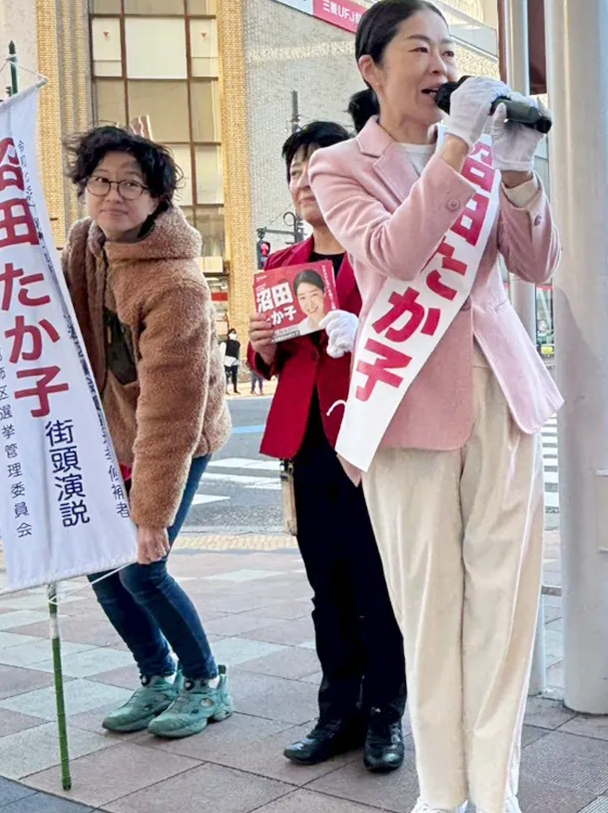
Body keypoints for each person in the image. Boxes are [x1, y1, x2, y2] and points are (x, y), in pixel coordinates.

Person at [308, 0, 561, 813]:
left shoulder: (482, 156)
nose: (441, 66)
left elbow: (537, 265)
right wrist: (457, 145)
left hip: (503, 396)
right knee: (430, 607)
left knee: (503, 606)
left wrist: (517, 174)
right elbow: (395, 253)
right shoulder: (341, 165)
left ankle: (496, 790)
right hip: (406, 405)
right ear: (371, 68)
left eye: (448, 50)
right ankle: (443, 791)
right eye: (420, 49)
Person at [63, 125, 233, 738]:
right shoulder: (86, 242)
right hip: (111, 432)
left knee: (142, 568)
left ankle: (205, 682)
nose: (114, 194)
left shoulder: (177, 287)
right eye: (102, 180)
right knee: (102, 566)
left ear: (157, 198)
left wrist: (151, 517)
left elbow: (171, 415)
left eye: (132, 185)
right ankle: (157, 674)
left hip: (176, 439)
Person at [248, 120, 407, 772]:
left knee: (378, 585)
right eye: (294, 172)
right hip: (307, 443)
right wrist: (260, 346)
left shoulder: (381, 254)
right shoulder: (281, 267)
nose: (304, 182)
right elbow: (274, 363)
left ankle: (386, 713)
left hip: (372, 442)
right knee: (327, 587)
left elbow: (408, 340)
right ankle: (337, 711)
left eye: (316, 167)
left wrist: (363, 331)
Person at [292, 268, 330, 333]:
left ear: (324, 292)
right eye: (302, 298)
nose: (310, 304)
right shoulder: (301, 328)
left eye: (314, 295)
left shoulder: (337, 319)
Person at [223, 329, 241, 394]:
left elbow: (238, 352)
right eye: (232, 333)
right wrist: (222, 361)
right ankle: (225, 389)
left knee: (234, 375)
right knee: (226, 375)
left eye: (235, 333)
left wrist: (239, 360)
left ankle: (235, 389)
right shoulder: (226, 342)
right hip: (227, 360)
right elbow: (223, 352)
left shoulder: (237, 343)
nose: (234, 334)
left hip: (235, 361)